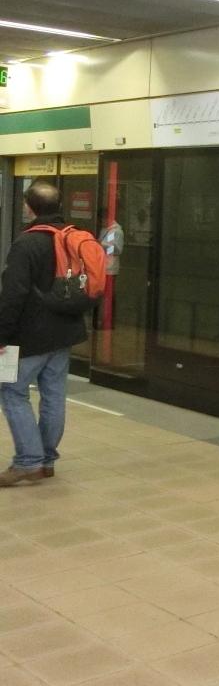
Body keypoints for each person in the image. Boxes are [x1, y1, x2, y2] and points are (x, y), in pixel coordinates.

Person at [0, 181, 88, 486]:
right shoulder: (72, 238)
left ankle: (28, 462)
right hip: (65, 332)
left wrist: (2, 335)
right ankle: (46, 460)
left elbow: (13, 294)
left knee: (12, 392)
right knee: (54, 395)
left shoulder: (27, 243)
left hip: (30, 336)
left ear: (29, 207)